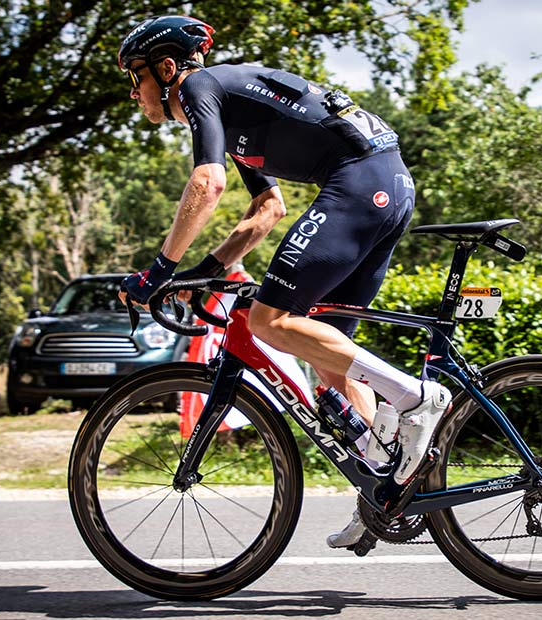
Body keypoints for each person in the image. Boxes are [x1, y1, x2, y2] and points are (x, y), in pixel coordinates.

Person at [115, 15, 451, 549]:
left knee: (267, 320)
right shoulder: (227, 104)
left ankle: (415, 398)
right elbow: (267, 208)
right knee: (327, 360)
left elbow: (208, 182)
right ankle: (385, 494)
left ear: (167, 68)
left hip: (360, 182)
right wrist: (208, 268)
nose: (134, 93)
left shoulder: (201, 86)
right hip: (385, 182)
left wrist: (159, 270)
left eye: (136, 78)